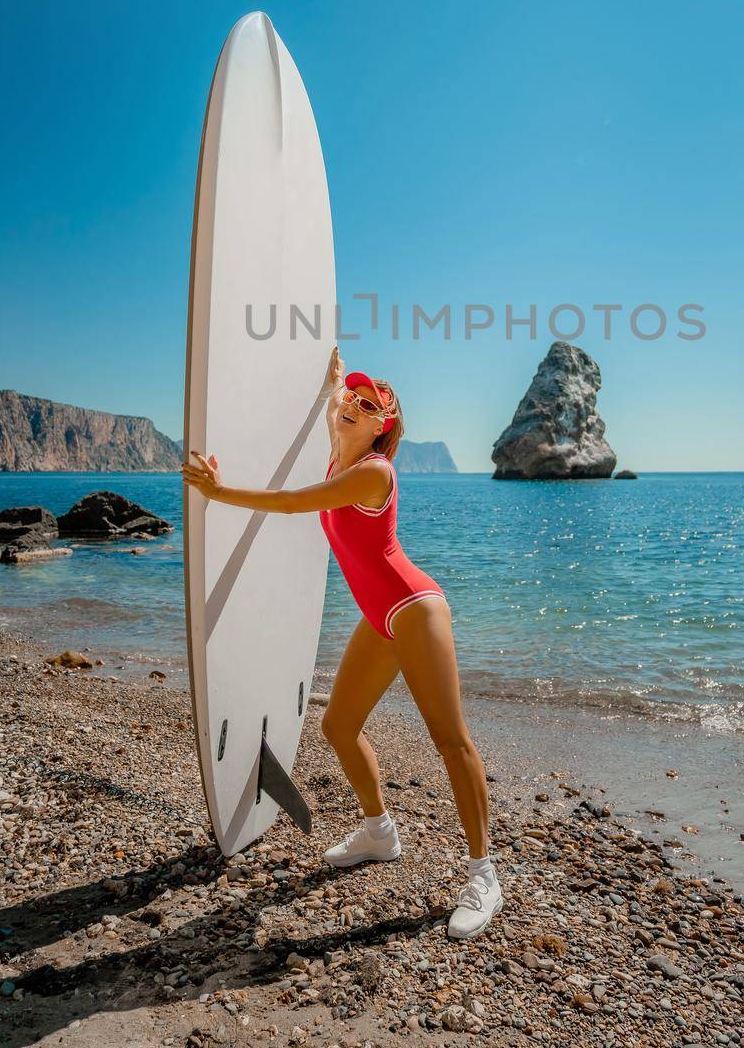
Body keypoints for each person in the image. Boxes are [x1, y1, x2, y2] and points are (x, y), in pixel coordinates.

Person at [181, 345, 503, 938]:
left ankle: (484, 875)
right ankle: (380, 832)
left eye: (368, 404)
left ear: (385, 427)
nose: (351, 405)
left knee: (450, 741)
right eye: (349, 399)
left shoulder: (373, 473)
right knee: (338, 726)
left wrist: (221, 493)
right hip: (378, 616)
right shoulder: (340, 452)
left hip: (414, 609)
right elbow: (337, 403)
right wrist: (335, 380)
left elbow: (291, 503)